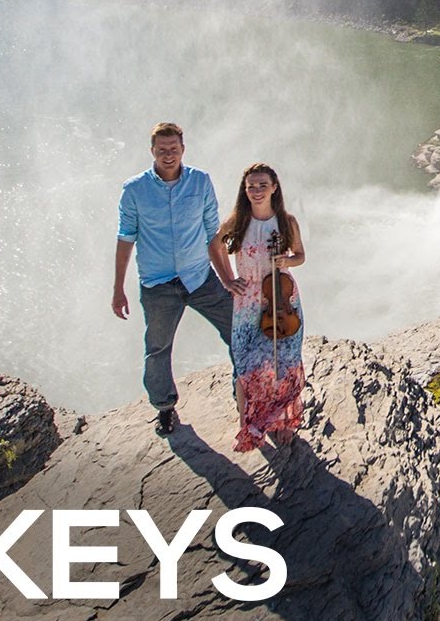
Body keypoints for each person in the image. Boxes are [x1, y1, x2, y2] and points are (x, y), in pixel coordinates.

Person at [113, 122, 233, 436]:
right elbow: (126, 238)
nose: (169, 155)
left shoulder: (200, 182)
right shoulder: (134, 189)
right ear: (152, 151)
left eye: (174, 149)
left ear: (183, 149)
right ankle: (165, 409)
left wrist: (228, 280)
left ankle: (247, 391)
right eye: (162, 150)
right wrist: (118, 289)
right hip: (158, 284)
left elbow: (213, 234)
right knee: (157, 348)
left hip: (199, 277)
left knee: (238, 328)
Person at [209, 163, 306, 452]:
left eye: (263, 185)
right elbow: (214, 245)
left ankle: (284, 421)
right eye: (251, 186)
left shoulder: (287, 221)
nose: (257, 191)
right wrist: (227, 279)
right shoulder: (238, 220)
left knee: (284, 362)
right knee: (247, 364)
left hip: (283, 299)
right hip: (247, 301)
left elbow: (300, 255)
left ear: (275, 187)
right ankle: (249, 426)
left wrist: (287, 261)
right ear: (245, 190)